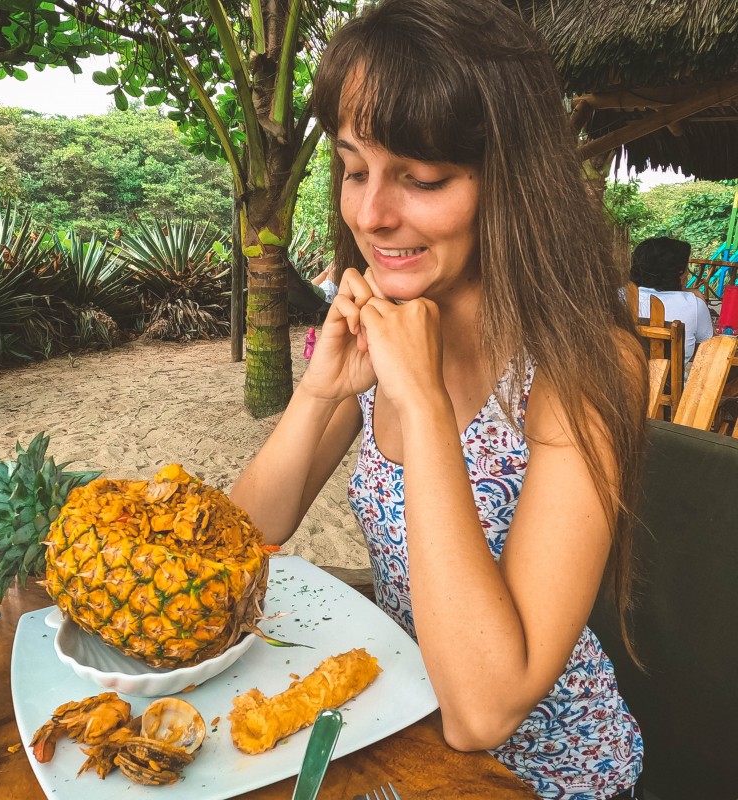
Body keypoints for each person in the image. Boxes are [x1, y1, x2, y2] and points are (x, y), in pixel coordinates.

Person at [230, 1, 647, 798]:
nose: (372, 215)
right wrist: (321, 392)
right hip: (405, 745)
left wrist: (420, 405)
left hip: (546, 778)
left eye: (420, 178)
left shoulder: (581, 368)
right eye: (355, 169)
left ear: (512, 181)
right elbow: (241, 541)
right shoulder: (383, 334)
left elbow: (485, 712)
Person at [631, 236, 714, 365]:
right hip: (674, 384)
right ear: (679, 272)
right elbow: (710, 350)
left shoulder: (620, 296)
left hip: (623, 382)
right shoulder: (693, 303)